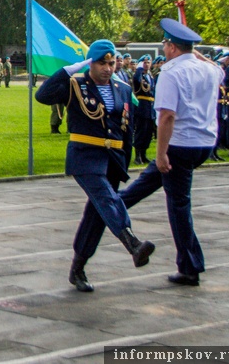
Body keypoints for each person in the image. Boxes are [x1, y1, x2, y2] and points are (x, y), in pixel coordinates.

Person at [35, 39, 155, 293]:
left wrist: (125, 160)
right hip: (85, 155)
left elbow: (127, 129)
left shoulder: (122, 88)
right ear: (91, 63)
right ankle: (132, 243)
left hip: (112, 158)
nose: (108, 68)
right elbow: (42, 95)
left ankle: (78, 267)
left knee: (96, 214)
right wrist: (68, 70)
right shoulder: (75, 85)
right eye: (102, 63)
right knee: (106, 197)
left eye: (111, 63)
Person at [119, 19, 224, 287]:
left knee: (178, 205)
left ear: (172, 47)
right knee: (147, 184)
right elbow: (215, 68)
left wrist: (162, 152)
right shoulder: (210, 71)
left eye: (166, 44)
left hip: (180, 145)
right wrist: (193, 53)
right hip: (203, 143)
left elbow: (166, 116)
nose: (164, 49)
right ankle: (110, 207)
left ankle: (190, 267)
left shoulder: (171, 72)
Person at [132, 55, 156, 164]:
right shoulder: (139, 75)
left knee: (148, 132)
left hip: (150, 106)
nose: (147, 64)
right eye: (145, 62)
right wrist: (139, 69)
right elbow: (136, 79)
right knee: (141, 131)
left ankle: (144, 154)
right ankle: (137, 156)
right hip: (142, 105)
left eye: (148, 62)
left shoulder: (150, 76)